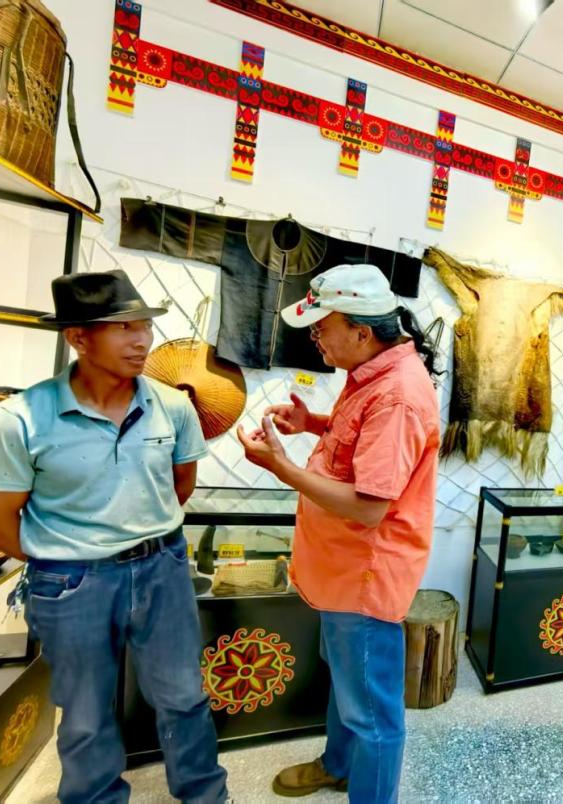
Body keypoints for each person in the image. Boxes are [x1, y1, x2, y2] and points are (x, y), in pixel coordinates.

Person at [0, 270, 228, 803]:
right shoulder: (18, 418)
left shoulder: (174, 406)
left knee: (184, 695)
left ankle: (205, 795)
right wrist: (64, 555)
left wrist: (140, 537)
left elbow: (180, 484)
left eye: (144, 325)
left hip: (162, 569)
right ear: (78, 338)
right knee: (85, 712)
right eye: (122, 327)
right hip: (71, 582)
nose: (141, 340)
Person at [237, 263, 441, 803]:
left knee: (373, 712)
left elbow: (370, 508)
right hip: (341, 569)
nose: (315, 337)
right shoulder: (372, 373)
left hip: (363, 578)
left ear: (361, 331)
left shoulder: (396, 396)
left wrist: (283, 467)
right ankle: (339, 764)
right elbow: (362, 439)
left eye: (321, 327)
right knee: (349, 683)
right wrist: (313, 424)